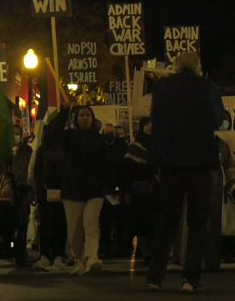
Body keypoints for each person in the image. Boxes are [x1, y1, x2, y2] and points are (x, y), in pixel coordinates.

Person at [146, 52, 225, 294]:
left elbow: (153, 118)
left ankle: (155, 277)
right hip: (200, 161)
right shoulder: (208, 87)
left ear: (175, 67)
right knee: (198, 221)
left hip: (170, 162)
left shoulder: (161, 88)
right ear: (197, 68)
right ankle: (190, 278)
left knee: (167, 221)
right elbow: (218, 119)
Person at [52, 104, 112, 275]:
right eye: (81, 115)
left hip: (94, 189)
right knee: (74, 229)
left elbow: (107, 163)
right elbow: (54, 136)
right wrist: (63, 113)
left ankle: (92, 257)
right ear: (76, 119)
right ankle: (79, 259)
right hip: (73, 189)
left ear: (93, 119)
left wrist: (108, 185)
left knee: (91, 224)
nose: (85, 118)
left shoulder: (99, 139)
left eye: (88, 115)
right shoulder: (69, 137)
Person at [32, 120, 68, 271]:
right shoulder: (42, 150)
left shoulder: (65, 149)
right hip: (45, 192)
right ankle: (45, 255)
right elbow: (37, 172)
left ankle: (59, 255)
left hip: (63, 191)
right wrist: (39, 189)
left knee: (61, 224)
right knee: (46, 225)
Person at [124, 117, 158, 265]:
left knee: (157, 221)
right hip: (141, 191)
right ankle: (147, 253)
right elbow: (127, 171)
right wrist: (127, 191)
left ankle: (157, 251)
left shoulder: (160, 146)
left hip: (158, 190)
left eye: (152, 123)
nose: (150, 126)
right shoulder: (134, 147)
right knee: (143, 223)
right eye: (146, 124)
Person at [99, 124, 129, 258]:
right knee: (105, 221)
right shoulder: (101, 147)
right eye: (107, 132)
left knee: (120, 221)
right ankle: (106, 248)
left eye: (111, 132)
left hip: (118, 189)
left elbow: (123, 168)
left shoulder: (121, 147)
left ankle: (121, 247)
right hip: (105, 189)